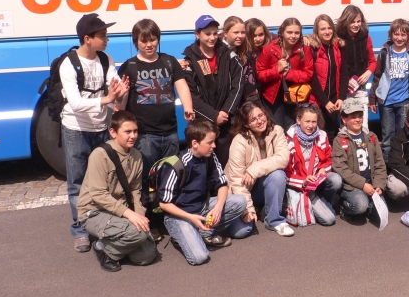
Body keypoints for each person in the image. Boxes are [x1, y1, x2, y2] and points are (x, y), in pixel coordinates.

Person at [61, 13, 129, 253]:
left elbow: (115, 92)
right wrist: (108, 99)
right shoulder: (68, 64)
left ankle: (102, 224)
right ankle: (80, 230)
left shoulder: (106, 59)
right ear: (87, 38)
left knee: (105, 180)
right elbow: (76, 103)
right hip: (76, 129)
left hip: (101, 127)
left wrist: (120, 94)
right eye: (102, 35)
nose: (107, 39)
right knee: (77, 183)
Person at [119, 19, 194, 196]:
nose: (149, 44)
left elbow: (182, 86)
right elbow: (122, 98)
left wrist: (188, 108)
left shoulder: (169, 61)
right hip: (144, 134)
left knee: (170, 177)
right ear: (136, 42)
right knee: (145, 178)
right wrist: (119, 111)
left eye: (153, 39)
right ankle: (147, 209)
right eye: (143, 40)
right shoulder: (129, 66)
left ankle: (167, 208)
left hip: (170, 132)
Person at [159, 119, 247, 266]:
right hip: (180, 216)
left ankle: (202, 233)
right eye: (210, 142)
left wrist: (218, 208)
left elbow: (222, 185)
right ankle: (183, 236)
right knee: (199, 257)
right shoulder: (176, 165)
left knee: (240, 201)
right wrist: (190, 217)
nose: (214, 146)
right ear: (195, 143)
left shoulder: (210, 156)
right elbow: (164, 204)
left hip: (202, 207)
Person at [77, 111, 156, 272]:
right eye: (127, 132)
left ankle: (118, 241)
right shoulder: (100, 155)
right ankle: (103, 248)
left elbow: (135, 190)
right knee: (139, 234)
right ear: (113, 132)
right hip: (94, 211)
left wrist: (140, 216)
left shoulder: (137, 156)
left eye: (135, 131)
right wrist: (129, 215)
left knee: (147, 255)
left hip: (119, 211)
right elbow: (98, 194)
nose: (133, 136)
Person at [225, 101, 294, 237]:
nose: (260, 121)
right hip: (240, 190)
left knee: (278, 175)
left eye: (261, 115)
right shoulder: (239, 141)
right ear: (246, 124)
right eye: (253, 119)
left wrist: (254, 169)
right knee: (241, 232)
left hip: (260, 185)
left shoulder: (277, 130)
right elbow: (237, 181)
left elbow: (283, 158)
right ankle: (255, 209)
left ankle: (274, 220)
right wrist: (247, 210)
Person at [182, 15, 244, 167]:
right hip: (202, 123)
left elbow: (238, 85)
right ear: (197, 34)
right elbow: (190, 95)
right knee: (202, 166)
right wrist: (213, 115)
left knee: (225, 165)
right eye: (207, 34)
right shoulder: (189, 59)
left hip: (226, 122)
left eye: (215, 33)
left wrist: (226, 111)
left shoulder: (228, 55)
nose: (212, 37)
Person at [369, 18, 409, 161]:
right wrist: (373, 99)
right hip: (386, 102)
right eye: (396, 34)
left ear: (408, 36)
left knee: (403, 135)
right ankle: (387, 165)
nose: (399, 38)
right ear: (391, 34)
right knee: (387, 137)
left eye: (403, 34)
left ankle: (402, 164)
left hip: (404, 102)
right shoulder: (384, 52)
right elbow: (377, 76)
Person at [285, 104, 343, 226]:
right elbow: (286, 173)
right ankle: (315, 205)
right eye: (307, 121)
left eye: (314, 122)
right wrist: (303, 181)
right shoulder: (288, 140)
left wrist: (323, 169)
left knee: (336, 179)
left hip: (317, 181)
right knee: (329, 219)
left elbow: (329, 159)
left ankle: (320, 203)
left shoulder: (322, 135)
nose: (311, 125)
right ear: (298, 120)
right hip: (301, 185)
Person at [332, 98, 387, 223]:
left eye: (360, 116)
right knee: (360, 205)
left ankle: (368, 206)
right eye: (353, 117)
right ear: (344, 119)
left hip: (371, 184)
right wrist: (362, 184)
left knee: (380, 213)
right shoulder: (339, 140)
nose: (357, 119)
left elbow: (380, 163)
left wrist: (379, 184)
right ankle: (344, 206)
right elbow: (341, 168)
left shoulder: (372, 137)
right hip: (351, 186)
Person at [256, 17, 313, 132]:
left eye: (297, 33)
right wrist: (276, 70)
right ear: (282, 32)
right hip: (273, 98)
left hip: (294, 96)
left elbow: (308, 73)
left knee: (291, 129)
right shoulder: (269, 49)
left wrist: (288, 74)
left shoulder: (304, 48)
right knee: (277, 130)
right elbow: (259, 75)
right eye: (289, 32)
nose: (293, 36)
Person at [335, 5, 377, 131]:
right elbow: (335, 66)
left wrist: (368, 72)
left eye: (359, 21)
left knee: (362, 127)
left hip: (360, 90)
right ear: (345, 21)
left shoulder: (365, 37)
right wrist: (344, 82)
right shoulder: (337, 38)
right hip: (343, 90)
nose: (356, 25)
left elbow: (373, 61)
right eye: (352, 21)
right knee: (346, 128)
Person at [309, 14, 348, 139]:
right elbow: (312, 78)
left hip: (334, 101)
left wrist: (341, 97)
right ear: (317, 31)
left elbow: (344, 73)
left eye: (329, 28)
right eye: (323, 29)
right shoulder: (312, 48)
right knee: (315, 136)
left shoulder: (338, 47)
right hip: (318, 101)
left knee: (330, 135)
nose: (327, 32)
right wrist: (325, 102)